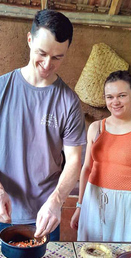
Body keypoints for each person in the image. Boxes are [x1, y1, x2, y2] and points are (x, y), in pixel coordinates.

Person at [0, 10, 86, 241]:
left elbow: (74, 161)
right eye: (42, 53)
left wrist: (57, 200)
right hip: (2, 210)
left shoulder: (68, 102)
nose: (48, 64)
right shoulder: (2, 89)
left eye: (58, 57)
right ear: (29, 40)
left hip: (44, 214)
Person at [70, 70, 131, 242]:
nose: (115, 102)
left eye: (122, 95)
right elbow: (87, 169)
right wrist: (79, 206)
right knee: (91, 256)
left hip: (127, 207)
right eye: (110, 97)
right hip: (93, 200)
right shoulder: (96, 128)